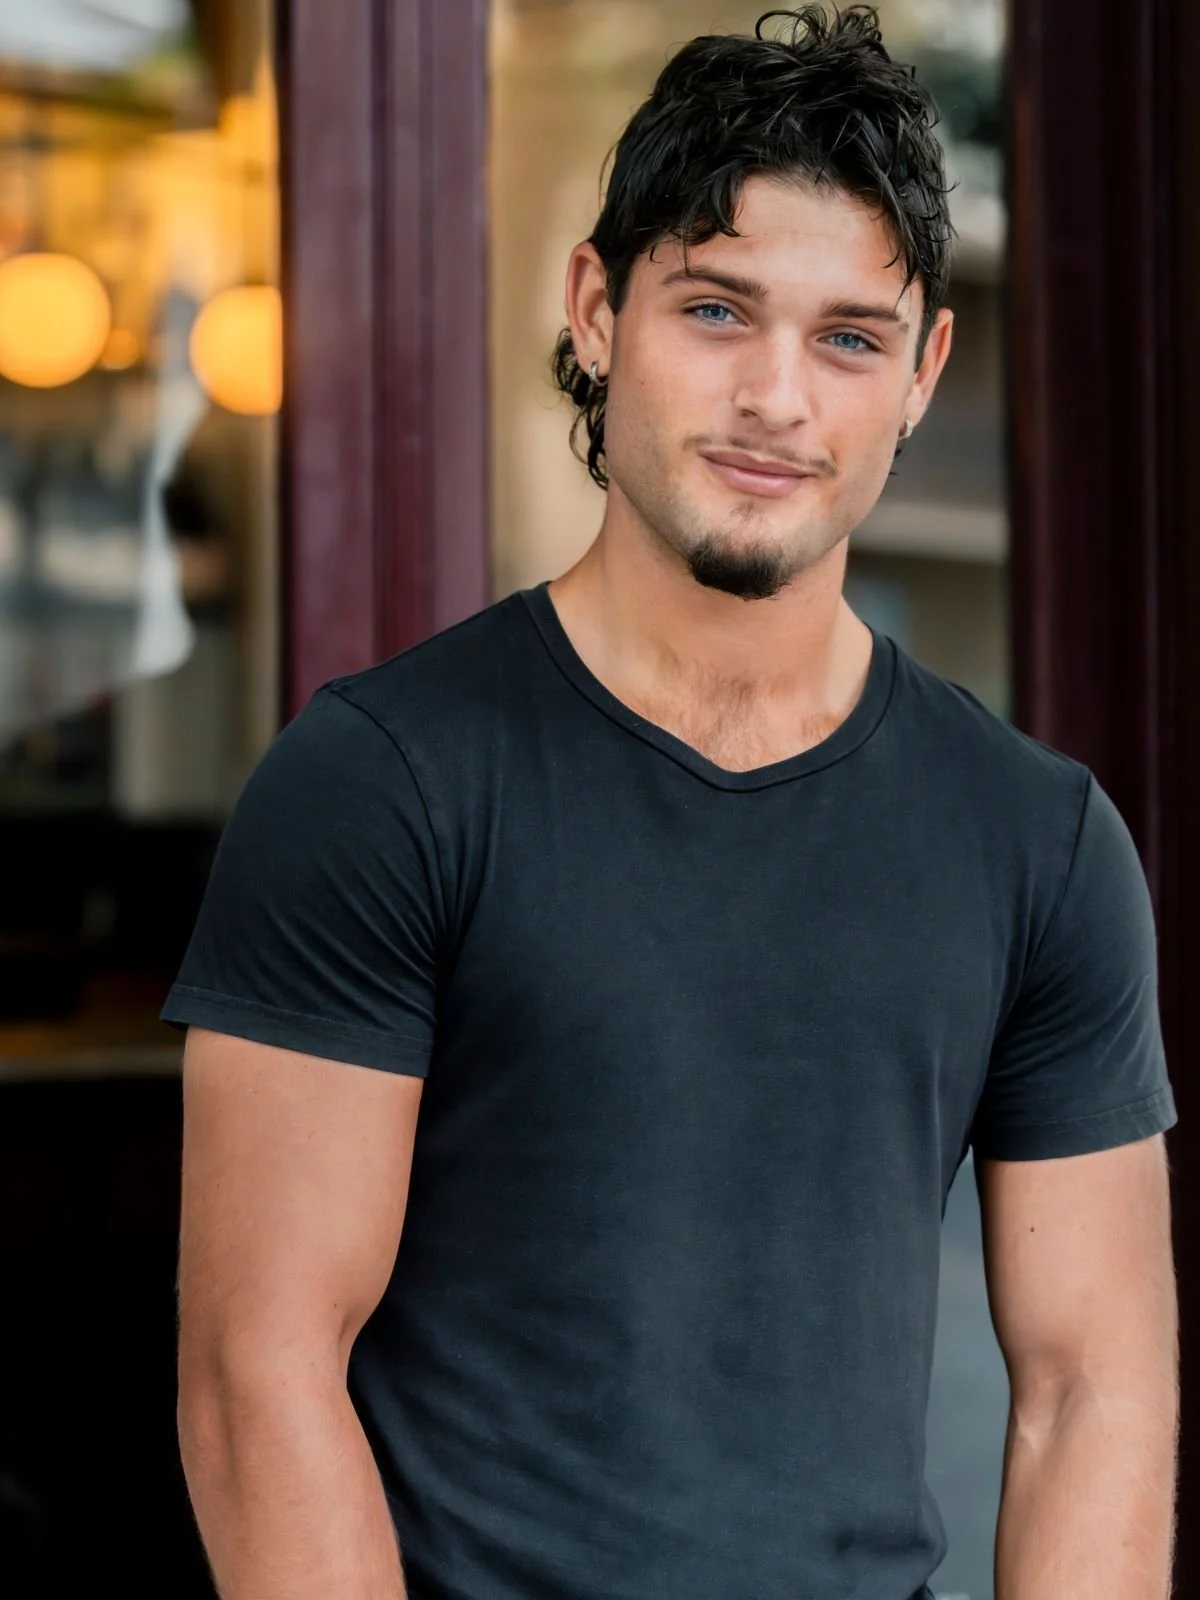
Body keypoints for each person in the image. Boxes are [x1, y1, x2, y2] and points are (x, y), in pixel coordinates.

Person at [167, 7, 1180, 1598]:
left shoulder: (1039, 845)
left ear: (922, 373)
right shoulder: (383, 780)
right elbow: (258, 1372)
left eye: (849, 337)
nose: (780, 396)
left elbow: (1090, 1391)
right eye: (717, 309)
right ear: (595, 309)